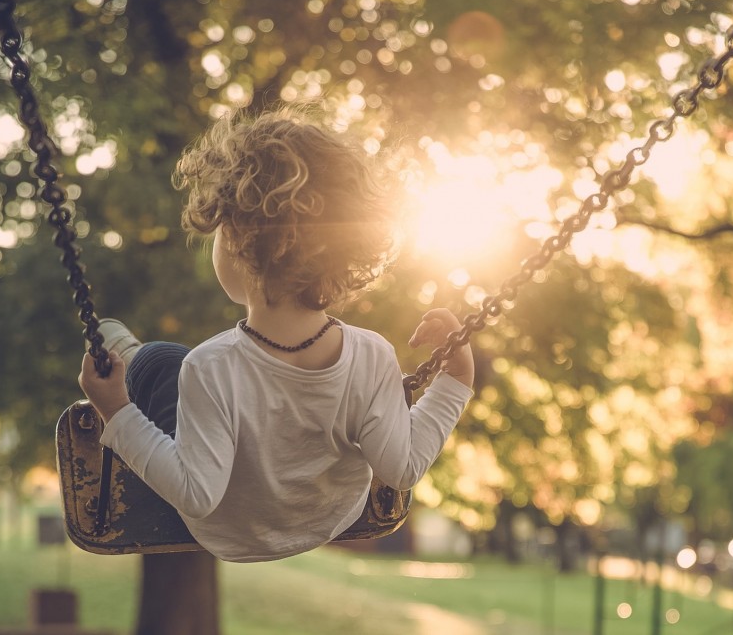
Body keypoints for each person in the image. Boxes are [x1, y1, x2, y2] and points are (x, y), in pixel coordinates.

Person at [77, 106, 474, 563]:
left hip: (230, 532)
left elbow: (196, 494)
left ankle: (130, 357)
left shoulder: (208, 367)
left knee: (160, 361)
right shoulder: (373, 356)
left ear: (241, 240)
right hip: (330, 519)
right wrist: (455, 383)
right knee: (177, 369)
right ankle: (132, 356)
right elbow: (402, 468)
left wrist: (116, 412)